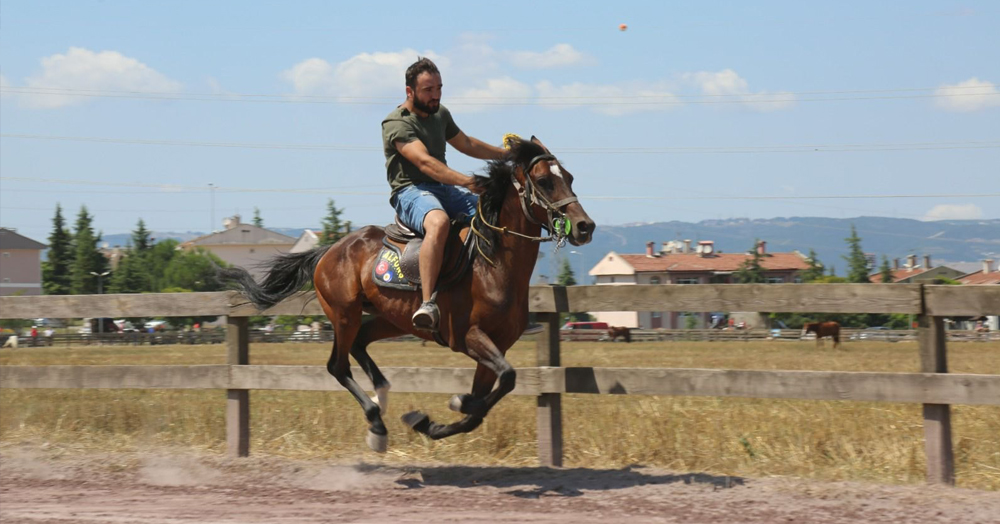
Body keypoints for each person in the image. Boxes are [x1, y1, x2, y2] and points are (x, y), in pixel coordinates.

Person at [382, 57, 506, 331]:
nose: (435, 94)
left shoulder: (440, 114)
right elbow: (425, 163)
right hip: (411, 191)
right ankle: (428, 303)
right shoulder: (396, 123)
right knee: (437, 223)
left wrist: (508, 155)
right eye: (428, 90)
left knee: (497, 215)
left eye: (439, 87)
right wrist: (466, 181)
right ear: (409, 92)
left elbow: (467, 143)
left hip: (445, 189)